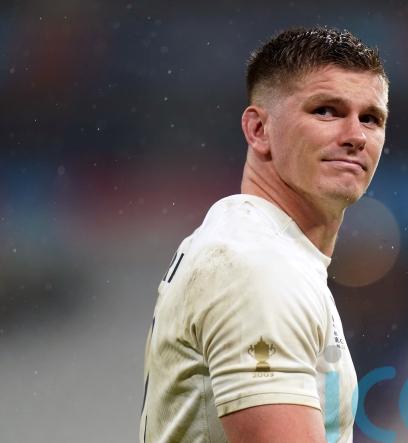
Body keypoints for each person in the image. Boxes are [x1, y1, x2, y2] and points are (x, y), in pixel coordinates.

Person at [139, 26, 389, 443]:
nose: (355, 137)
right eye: (326, 111)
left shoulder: (259, 248)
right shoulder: (257, 264)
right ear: (258, 130)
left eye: (371, 118)